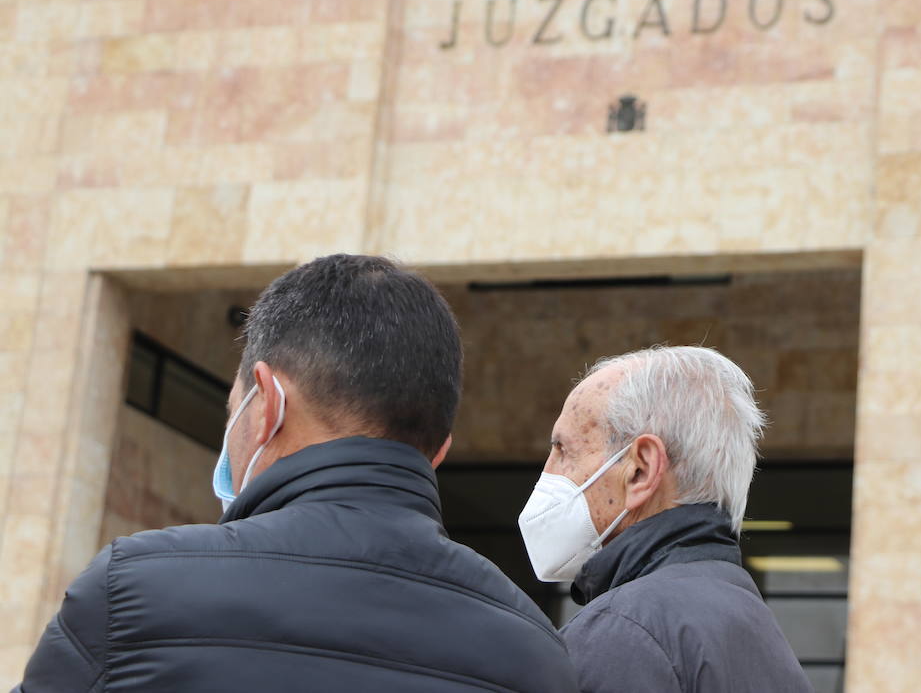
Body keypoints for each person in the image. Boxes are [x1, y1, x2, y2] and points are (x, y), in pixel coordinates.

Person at [16, 253, 577, 693]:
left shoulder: (132, 591)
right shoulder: (535, 650)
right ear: (439, 452)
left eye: (232, 403)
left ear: (267, 402)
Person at [519, 345, 811, 692]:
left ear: (641, 470)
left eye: (564, 450)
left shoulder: (623, 633)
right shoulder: (754, 627)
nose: (548, 473)